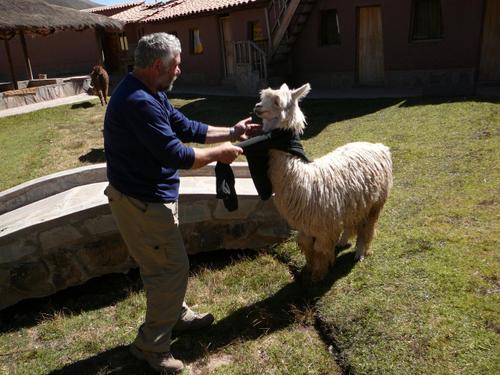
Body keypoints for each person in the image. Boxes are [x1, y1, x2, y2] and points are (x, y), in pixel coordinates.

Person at [103, 32, 260, 373]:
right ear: (157, 65)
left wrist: (231, 133)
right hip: (141, 204)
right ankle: (151, 345)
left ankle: (175, 314)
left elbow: (186, 126)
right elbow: (175, 154)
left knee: (162, 268)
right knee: (170, 268)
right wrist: (220, 153)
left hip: (148, 199)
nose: (179, 71)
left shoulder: (150, 92)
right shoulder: (138, 102)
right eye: (176, 65)